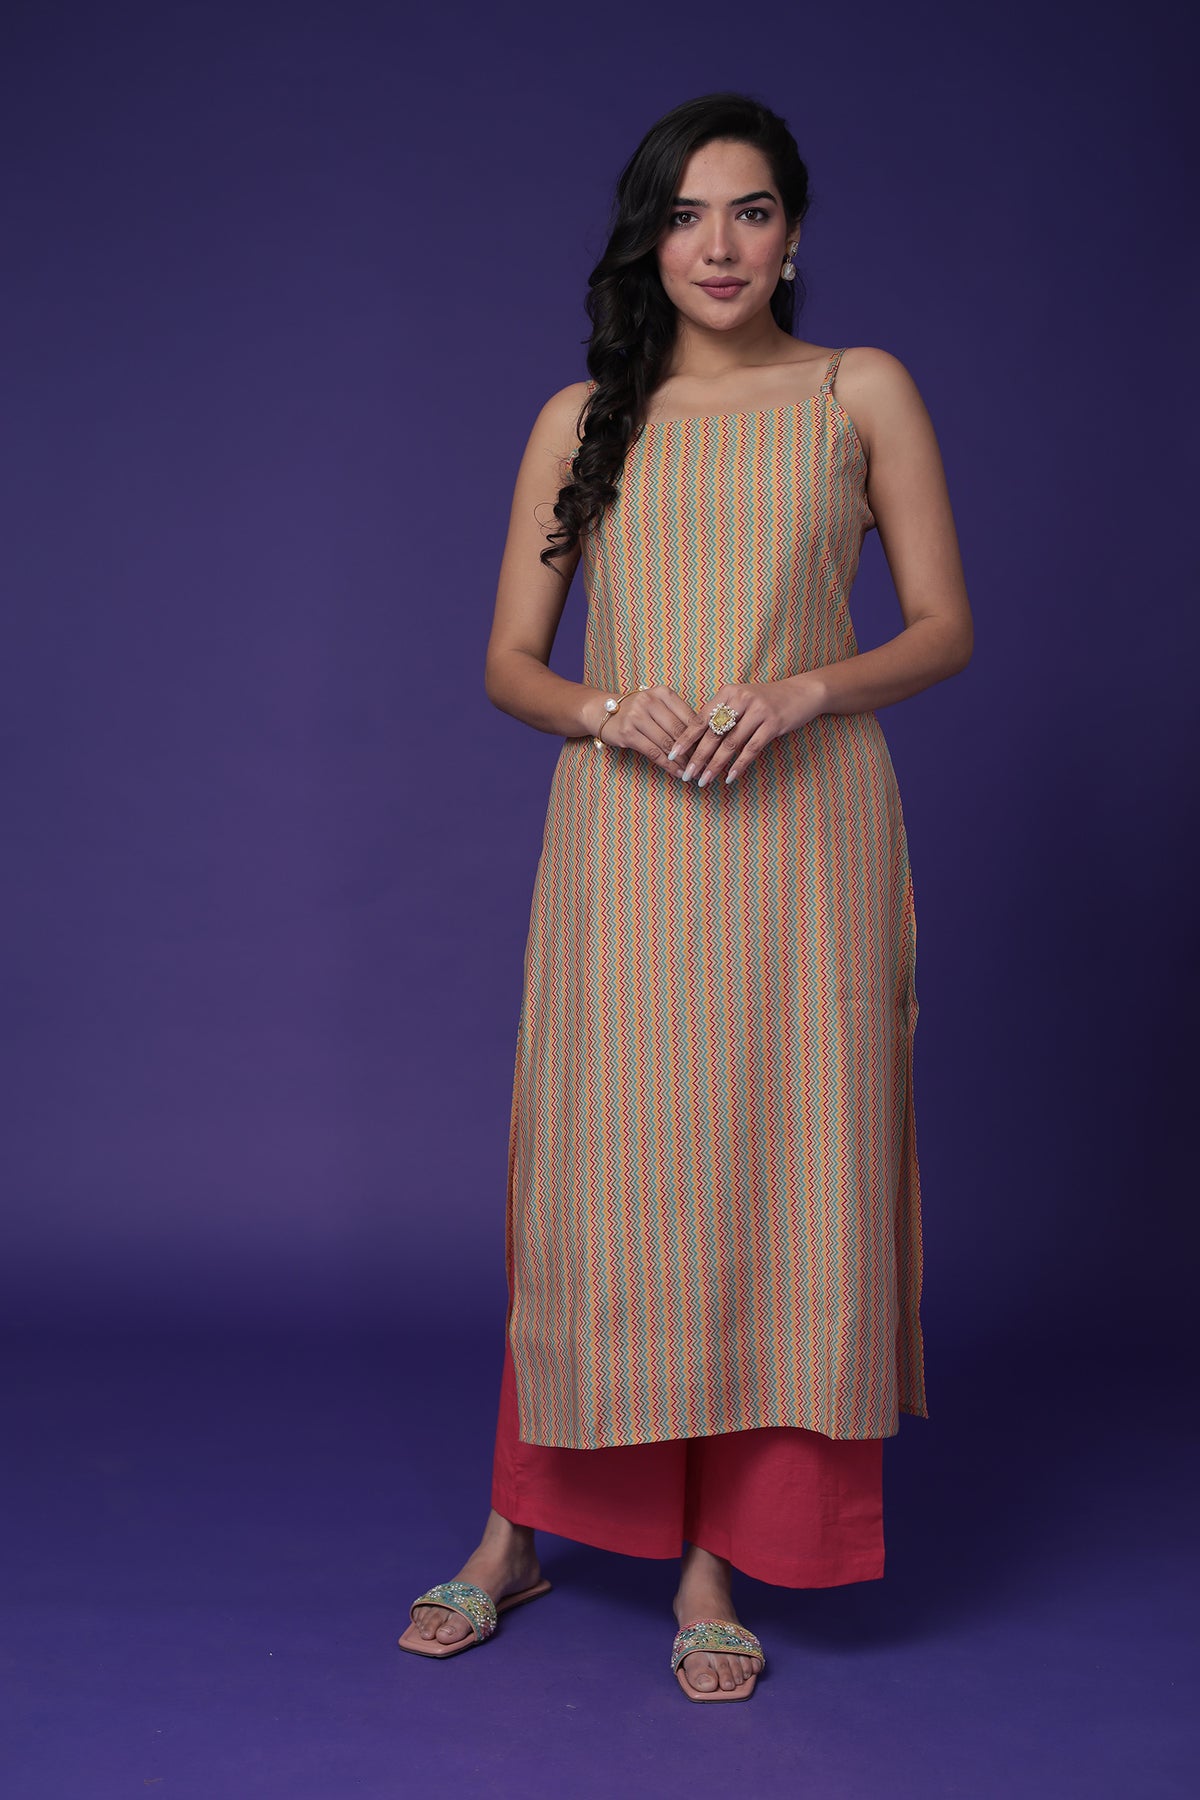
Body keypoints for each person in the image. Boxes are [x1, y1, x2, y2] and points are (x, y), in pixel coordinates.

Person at [398, 90, 973, 1702]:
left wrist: (804, 689)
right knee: (602, 1181)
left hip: (807, 835)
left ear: (795, 231)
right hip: (631, 836)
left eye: (752, 211)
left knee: (784, 1176)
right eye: (686, 215)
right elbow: (511, 664)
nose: (719, 246)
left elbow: (944, 625)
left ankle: (716, 1560)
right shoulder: (583, 416)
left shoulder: (860, 389)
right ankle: (518, 1530)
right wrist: (609, 709)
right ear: (647, 240)